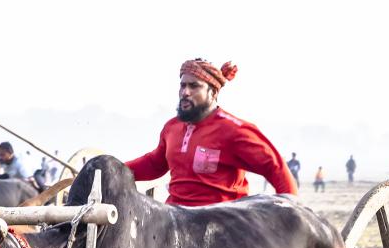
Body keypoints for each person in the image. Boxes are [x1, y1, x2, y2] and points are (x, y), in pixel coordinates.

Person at [125, 58, 296, 205]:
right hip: (175, 221)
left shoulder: (234, 130)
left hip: (221, 225)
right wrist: (111, 169)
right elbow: (155, 164)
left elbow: (275, 167)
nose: (185, 92)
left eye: (194, 86)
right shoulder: (172, 127)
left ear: (213, 92)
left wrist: (291, 213)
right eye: (182, 85)